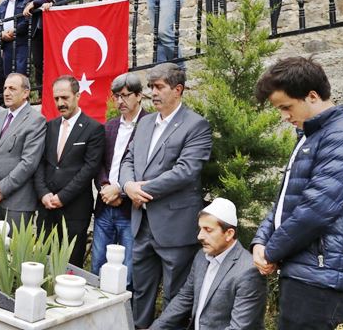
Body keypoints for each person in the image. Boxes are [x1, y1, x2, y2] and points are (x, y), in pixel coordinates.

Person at [251, 57, 343, 330]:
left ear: (312, 96)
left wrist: (271, 250)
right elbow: (286, 203)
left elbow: (316, 210)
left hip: (323, 274)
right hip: (309, 270)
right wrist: (260, 241)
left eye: (286, 107)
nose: (284, 116)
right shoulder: (310, 136)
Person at [120, 62, 213, 329]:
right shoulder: (146, 122)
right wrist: (127, 186)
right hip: (141, 224)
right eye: (151, 87)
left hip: (175, 226)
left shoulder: (196, 125)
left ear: (178, 89)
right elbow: (128, 159)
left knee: (175, 296)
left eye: (159, 87)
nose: (153, 92)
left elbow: (186, 171)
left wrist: (142, 190)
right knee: (140, 291)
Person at [152, 198, 267, 330]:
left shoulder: (249, 271)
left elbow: (238, 327)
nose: (200, 236)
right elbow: (185, 297)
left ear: (229, 234)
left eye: (208, 229)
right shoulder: (201, 256)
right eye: (200, 229)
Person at [34, 75, 104, 267]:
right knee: (42, 262)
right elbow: (40, 162)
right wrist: (43, 194)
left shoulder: (94, 128)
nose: (60, 103)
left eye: (65, 97)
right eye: (56, 98)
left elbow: (89, 169)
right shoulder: (50, 126)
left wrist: (62, 197)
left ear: (77, 96)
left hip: (74, 209)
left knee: (70, 265)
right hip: (47, 207)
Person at [91, 73, 147, 281]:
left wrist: (121, 192)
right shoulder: (110, 126)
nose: (120, 101)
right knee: (97, 265)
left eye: (125, 95)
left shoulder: (149, 125)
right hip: (105, 205)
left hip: (130, 210)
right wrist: (105, 186)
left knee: (127, 273)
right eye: (116, 96)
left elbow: (146, 170)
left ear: (139, 95)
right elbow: (99, 163)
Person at [0, 73, 46, 227]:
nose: (7, 92)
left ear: (26, 93)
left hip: (17, 202)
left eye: (12, 88)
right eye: (5, 88)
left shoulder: (35, 120)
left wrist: (1, 190)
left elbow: (28, 163)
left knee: (12, 249)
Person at [22, 0, 70, 88]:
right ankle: (42, 95)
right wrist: (39, 4)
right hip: (38, 27)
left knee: (56, 60)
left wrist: (36, 3)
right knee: (38, 63)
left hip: (56, 26)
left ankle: (59, 93)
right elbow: (27, 2)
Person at [0, 0, 29, 78]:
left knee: (20, 72)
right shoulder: (3, 4)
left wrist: (15, 30)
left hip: (21, 42)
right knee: (8, 73)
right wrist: (1, 33)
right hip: (6, 43)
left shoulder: (26, 0)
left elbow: (28, 20)